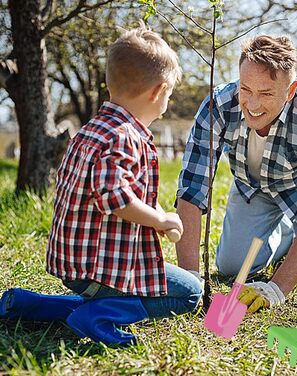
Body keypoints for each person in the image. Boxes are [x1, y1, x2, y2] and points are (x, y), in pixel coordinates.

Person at [0, 23, 202, 345]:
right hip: (99, 269)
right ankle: (99, 316)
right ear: (158, 91)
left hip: (72, 264)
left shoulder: (90, 130)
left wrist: (155, 215)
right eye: (170, 94)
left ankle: (28, 303)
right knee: (190, 292)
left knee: (108, 293)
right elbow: (114, 197)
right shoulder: (125, 137)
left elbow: (114, 189)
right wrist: (161, 219)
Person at [175, 35, 297, 313]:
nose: (252, 104)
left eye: (266, 93)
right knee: (231, 266)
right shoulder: (218, 105)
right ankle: (282, 235)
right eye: (246, 89)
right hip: (251, 188)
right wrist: (190, 278)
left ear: (290, 91)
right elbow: (192, 190)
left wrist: (276, 288)